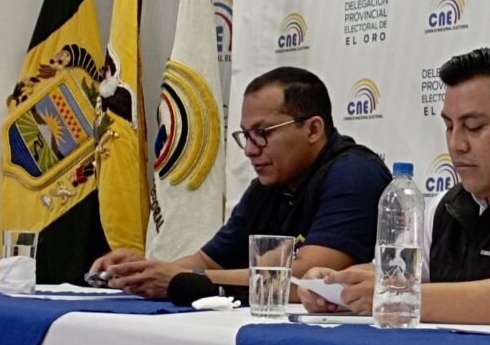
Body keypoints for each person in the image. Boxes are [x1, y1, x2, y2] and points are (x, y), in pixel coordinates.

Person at [299, 46, 490, 324]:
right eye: (449, 126)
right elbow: (398, 276)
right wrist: (338, 284)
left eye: (474, 127)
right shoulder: (445, 207)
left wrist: (401, 298)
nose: (456, 144)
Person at [91, 66, 392, 299]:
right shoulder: (268, 185)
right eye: (246, 135)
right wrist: (141, 271)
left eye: (262, 133)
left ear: (313, 129)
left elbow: (303, 279)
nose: (249, 150)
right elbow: (209, 261)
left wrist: (181, 280)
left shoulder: (355, 174)